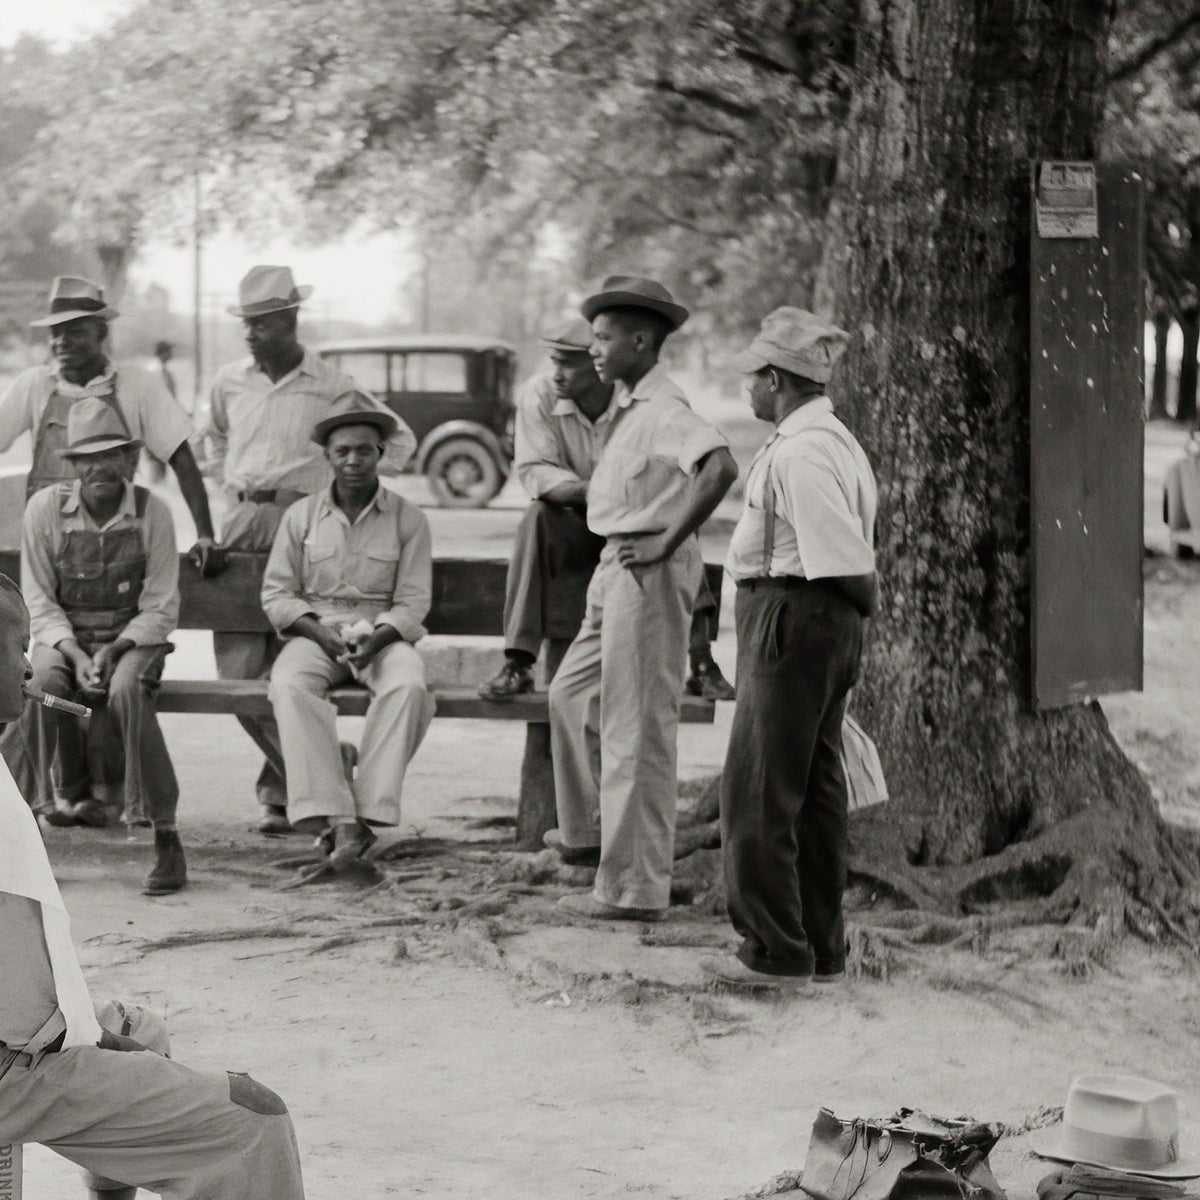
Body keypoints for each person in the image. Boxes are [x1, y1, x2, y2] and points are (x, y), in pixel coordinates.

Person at [0, 574, 306, 1200]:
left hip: (19, 1033)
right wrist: (85, 1039)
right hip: (12, 1062)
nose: (29, 665)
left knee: (145, 1031)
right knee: (252, 1119)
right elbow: (19, 1006)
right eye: (15, 647)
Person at [548, 276, 738, 920]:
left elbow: (719, 468)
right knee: (568, 694)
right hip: (615, 565)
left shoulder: (664, 409)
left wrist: (664, 543)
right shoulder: (629, 408)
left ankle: (634, 889)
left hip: (648, 568)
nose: (593, 349)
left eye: (603, 338)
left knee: (638, 730)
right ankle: (585, 838)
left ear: (640, 340)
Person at [203, 265, 417, 836]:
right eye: (246, 323)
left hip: (307, 522)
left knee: (292, 668)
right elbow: (212, 441)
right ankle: (317, 773)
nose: (252, 334)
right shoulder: (228, 382)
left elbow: (397, 442)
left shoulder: (331, 384)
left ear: (292, 320)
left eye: (264, 323)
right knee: (239, 677)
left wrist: (327, 482)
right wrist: (235, 485)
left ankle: (283, 795)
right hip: (245, 521)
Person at [700, 308, 877, 990]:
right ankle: (818, 946)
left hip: (793, 615)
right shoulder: (833, 440)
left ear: (776, 379)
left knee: (759, 789)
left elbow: (839, 558)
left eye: (752, 376)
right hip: (812, 620)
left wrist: (853, 609)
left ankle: (776, 951)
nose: (747, 388)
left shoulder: (803, 452)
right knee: (814, 788)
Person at [478, 317, 735, 702]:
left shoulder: (642, 401)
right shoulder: (540, 394)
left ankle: (701, 660)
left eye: (569, 363)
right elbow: (534, 472)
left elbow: (702, 470)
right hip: (574, 515)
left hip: (632, 529)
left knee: (679, 521)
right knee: (535, 519)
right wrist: (600, 494)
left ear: (599, 364)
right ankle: (518, 660)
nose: (557, 374)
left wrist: (651, 521)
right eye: (554, 361)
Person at [16, 397, 187, 895]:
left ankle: (167, 836)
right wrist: (75, 653)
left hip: (132, 638)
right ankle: (26, 835)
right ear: (73, 465)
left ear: (130, 461)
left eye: (112, 455)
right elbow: (38, 601)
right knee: (38, 687)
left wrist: (113, 652)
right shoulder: (45, 509)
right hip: (65, 638)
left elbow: (160, 605)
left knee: (128, 690)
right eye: (89, 458)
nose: (101, 468)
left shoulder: (154, 513)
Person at [262, 391, 434, 873]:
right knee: (289, 685)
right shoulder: (301, 517)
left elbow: (414, 601)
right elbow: (277, 595)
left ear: (381, 454)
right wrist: (321, 635)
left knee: (409, 686)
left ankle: (365, 817)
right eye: (343, 452)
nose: (354, 461)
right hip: (318, 634)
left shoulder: (408, 517)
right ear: (328, 458)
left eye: (364, 450)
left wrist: (377, 639)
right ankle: (335, 816)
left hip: (383, 635)